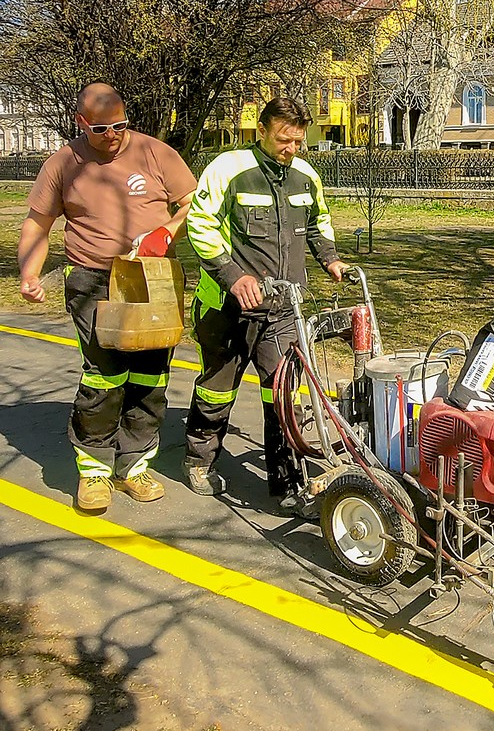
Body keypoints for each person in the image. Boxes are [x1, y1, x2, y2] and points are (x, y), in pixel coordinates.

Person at [16, 82, 196, 513]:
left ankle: (135, 465)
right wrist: (30, 272)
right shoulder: (64, 163)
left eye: (120, 125)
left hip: (153, 276)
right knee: (104, 373)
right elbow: (37, 224)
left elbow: (191, 200)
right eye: (101, 129)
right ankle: (94, 470)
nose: (112, 135)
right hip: (94, 278)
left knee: (151, 374)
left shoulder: (155, 153)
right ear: (81, 123)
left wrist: (166, 231)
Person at [184, 97, 345, 508]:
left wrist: (330, 258)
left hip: (282, 310)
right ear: (262, 131)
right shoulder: (228, 169)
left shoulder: (305, 176)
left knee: (284, 393)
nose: (291, 148)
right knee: (218, 390)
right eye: (282, 140)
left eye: (297, 140)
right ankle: (200, 461)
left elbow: (318, 222)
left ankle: (288, 483)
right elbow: (200, 225)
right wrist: (233, 277)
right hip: (226, 307)